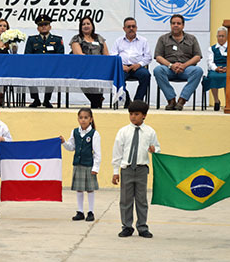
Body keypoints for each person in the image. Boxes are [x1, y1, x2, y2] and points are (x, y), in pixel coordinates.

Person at [112, 100, 160, 238]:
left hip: (141, 169)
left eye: (136, 114)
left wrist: (154, 149)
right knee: (126, 199)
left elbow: (157, 147)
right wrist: (116, 171)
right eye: (131, 114)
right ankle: (127, 226)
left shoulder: (150, 132)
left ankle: (142, 226)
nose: (133, 117)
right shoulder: (123, 132)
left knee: (141, 199)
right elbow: (117, 153)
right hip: (127, 169)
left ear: (144, 115)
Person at [153, 14, 203, 110]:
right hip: (169, 69)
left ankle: (181, 101)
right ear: (170, 25)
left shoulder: (192, 39)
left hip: (186, 69)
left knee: (198, 71)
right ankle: (171, 100)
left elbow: (197, 56)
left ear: (183, 25)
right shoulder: (163, 39)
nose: (176, 25)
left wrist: (184, 65)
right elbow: (158, 57)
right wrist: (171, 65)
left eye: (178, 23)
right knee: (158, 70)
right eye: (173, 23)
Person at [60, 108, 101, 222]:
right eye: (81, 118)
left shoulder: (94, 134)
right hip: (78, 164)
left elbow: (97, 153)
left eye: (86, 118)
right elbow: (71, 147)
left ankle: (91, 211)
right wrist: (63, 142)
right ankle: (80, 211)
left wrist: (96, 167)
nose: (83, 120)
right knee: (79, 189)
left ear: (91, 119)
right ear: (78, 119)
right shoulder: (75, 132)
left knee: (90, 189)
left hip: (89, 165)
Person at [110, 17, 151, 109]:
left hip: (137, 67)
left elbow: (148, 57)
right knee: (118, 78)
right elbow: (113, 56)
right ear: (124, 29)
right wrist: (121, 66)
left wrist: (138, 65)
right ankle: (127, 100)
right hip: (122, 67)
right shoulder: (118, 41)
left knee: (146, 75)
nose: (131, 28)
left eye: (133, 26)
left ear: (136, 28)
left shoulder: (143, 41)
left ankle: (138, 101)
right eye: (128, 26)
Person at [24, 14, 65, 108]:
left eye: (46, 24)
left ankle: (47, 99)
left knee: (52, 74)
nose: (43, 27)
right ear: (38, 28)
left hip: (51, 67)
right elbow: (27, 55)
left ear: (50, 27)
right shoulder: (32, 39)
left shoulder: (57, 40)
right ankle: (36, 99)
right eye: (41, 25)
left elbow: (60, 55)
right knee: (30, 73)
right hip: (35, 67)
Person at [70, 16, 109, 108]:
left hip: (99, 69)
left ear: (92, 26)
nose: (86, 26)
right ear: (80, 27)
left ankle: (96, 103)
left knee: (100, 78)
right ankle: (97, 101)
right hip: (83, 69)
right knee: (84, 82)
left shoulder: (99, 38)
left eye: (88, 24)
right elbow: (79, 55)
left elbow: (106, 55)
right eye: (83, 24)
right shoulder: (76, 39)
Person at [203, 27, 228, 111]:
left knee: (228, 78)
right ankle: (216, 101)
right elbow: (210, 62)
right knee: (213, 77)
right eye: (219, 36)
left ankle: (228, 102)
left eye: (223, 36)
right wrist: (216, 68)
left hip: (227, 69)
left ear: (227, 37)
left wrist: (228, 68)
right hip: (216, 68)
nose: (220, 38)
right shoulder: (212, 48)